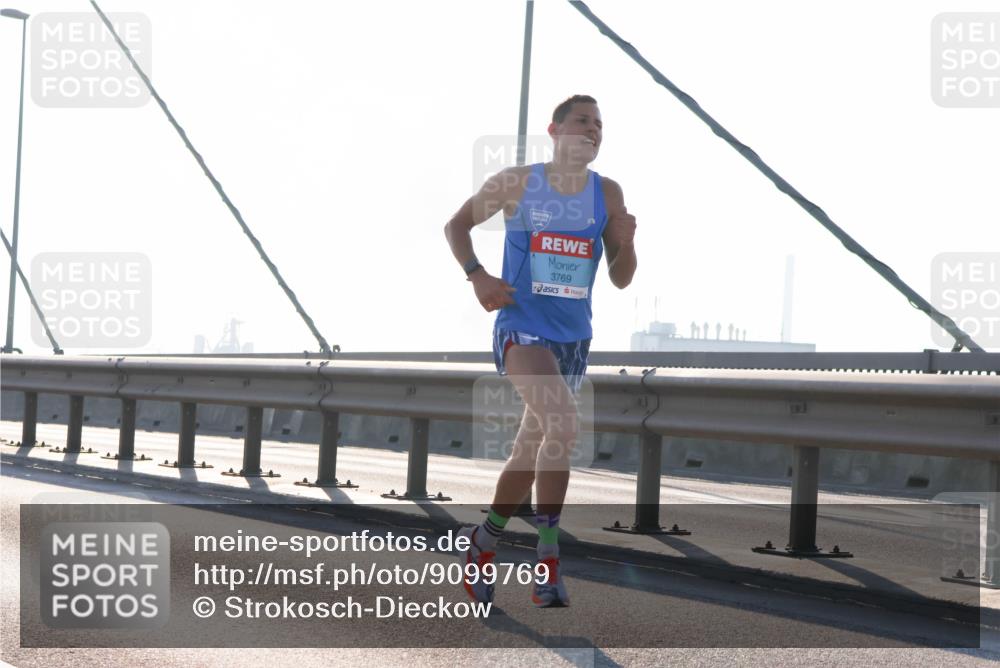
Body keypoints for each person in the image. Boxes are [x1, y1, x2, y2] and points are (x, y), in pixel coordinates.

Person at [443, 94, 637, 607]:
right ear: (554, 130)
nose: (592, 131)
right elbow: (456, 225)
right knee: (565, 426)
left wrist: (626, 242)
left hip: (573, 340)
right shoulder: (518, 183)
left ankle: (483, 541)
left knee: (529, 454)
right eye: (582, 121)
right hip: (522, 328)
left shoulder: (607, 193)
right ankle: (547, 559)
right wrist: (477, 275)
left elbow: (620, 278)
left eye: (599, 125)